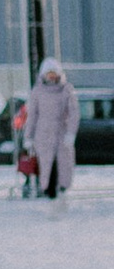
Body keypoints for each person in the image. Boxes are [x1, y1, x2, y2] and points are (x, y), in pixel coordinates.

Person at [26, 58, 79, 204]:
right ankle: (47, 190)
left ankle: (62, 188)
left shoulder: (67, 89)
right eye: (49, 73)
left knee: (63, 162)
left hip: (61, 131)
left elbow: (74, 113)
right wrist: (28, 136)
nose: (51, 76)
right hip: (43, 133)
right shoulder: (37, 91)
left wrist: (70, 133)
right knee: (45, 162)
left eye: (53, 73)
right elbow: (32, 115)